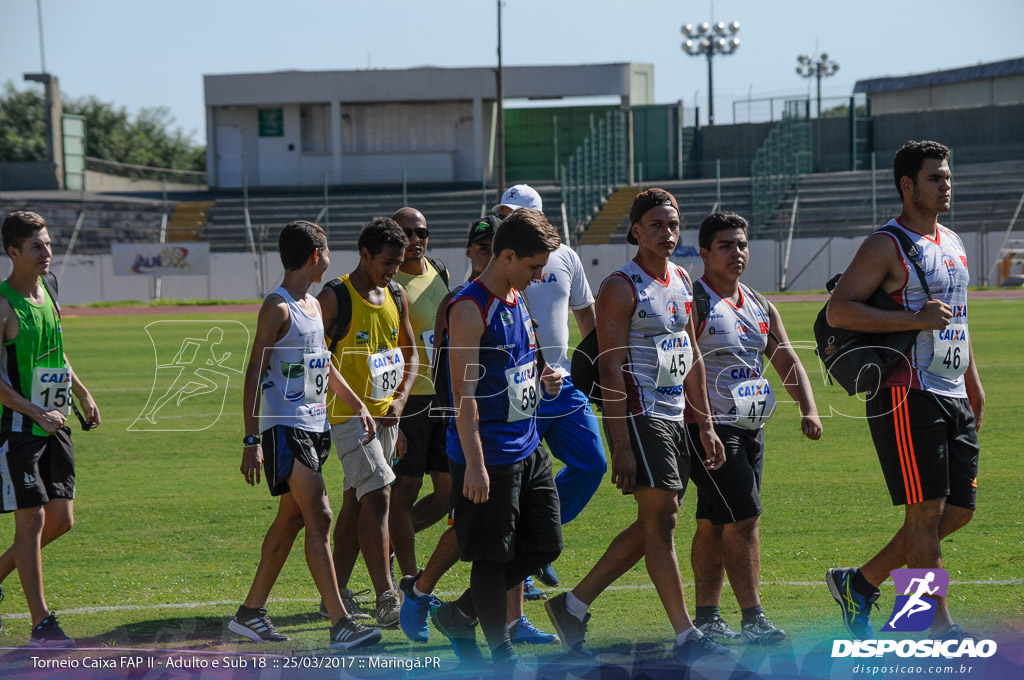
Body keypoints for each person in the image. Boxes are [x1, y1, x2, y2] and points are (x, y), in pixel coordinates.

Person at [543, 189, 737, 666]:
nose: (666, 234)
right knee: (663, 520)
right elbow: (610, 368)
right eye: (655, 225)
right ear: (635, 230)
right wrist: (621, 445)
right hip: (638, 411)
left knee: (659, 520)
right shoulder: (620, 286)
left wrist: (705, 423)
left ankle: (572, 605)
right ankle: (686, 633)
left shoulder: (682, 279)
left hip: (675, 415)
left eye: (672, 225)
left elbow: (690, 354)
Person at [825, 140, 983, 641]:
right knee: (925, 512)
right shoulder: (885, 245)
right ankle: (936, 625)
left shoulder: (954, 242)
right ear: (907, 185)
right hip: (906, 391)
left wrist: (973, 386)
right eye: (935, 177)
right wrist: (912, 318)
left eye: (948, 174)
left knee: (957, 512)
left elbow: (958, 321)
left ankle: (860, 583)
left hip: (952, 389)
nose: (946, 183)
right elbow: (838, 311)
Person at [398, 215, 556, 646]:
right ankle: (501, 659)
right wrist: (475, 464)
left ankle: (460, 612)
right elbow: (462, 396)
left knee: (546, 546)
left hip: (527, 443)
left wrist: (542, 377)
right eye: (533, 266)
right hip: (489, 452)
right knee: (490, 559)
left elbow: (514, 366)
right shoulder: (469, 307)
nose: (539, 276)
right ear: (507, 257)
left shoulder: (517, 296)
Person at [231, 220, 380, 650]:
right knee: (321, 516)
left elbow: (324, 366)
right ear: (315, 256)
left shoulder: (314, 306)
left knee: (292, 518)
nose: (331, 258)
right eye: (328, 250)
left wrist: (357, 406)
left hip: (316, 426)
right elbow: (254, 372)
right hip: (285, 428)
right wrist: (251, 440)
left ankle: (250, 613)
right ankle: (340, 622)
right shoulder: (276, 308)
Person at [686, 212, 822, 644]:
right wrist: (704, 423)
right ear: (704, 253)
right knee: (745, 518)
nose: (736, 253)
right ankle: (753, 618)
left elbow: (786, 360)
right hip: (710, 428)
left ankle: (706, 616)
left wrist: (809, 409)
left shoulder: (760, 304)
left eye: (742, 245)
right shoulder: (695, 301)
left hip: (750, 428)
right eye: (725, 246)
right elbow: (684, 365)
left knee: (712, 522)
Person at [496, 184, 607, 595]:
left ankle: (535, 541)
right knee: (514, 480)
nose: (506, 219)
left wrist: (595, 365)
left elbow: (585, 311)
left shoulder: (566, 257)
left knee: (592, 463)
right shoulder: (499, 257)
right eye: (504, 212)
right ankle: (525, 563)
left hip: (563, 385)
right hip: (518, 387)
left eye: (514, 212)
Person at [0, 211, 101, 647]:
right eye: (37, 247)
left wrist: (81, 392)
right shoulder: (2, 304)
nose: (47, 253)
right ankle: (42, 624)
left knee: (61, 520)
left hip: (55, 421)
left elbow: (56, 351)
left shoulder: (51, 287)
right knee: (33, 520)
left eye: (48, 243)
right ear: (13, 253)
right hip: (19, 427)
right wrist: (34, 412)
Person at [317, 217, 418, 628]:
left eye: (398, 262)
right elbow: (315, 358)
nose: (394, 270)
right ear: (364, 254)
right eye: (388, 262)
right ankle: (387, 597)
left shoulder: (396, 294)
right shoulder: (335, 296)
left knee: (355, 504)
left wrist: (401, 401)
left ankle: (333, 594)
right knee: (378, 494)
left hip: (385, 416)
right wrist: (354, 402)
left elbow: (410, 356)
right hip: (345, 416)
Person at [389, 207, 451, 582]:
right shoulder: (387, 282)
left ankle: (386, 543)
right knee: (406, 489)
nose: (415, 239)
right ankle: (408, 580)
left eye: (421, 232)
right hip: (408, 398)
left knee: (448, 493)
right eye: (406, 232)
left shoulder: (439, 272)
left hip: (441, 397)